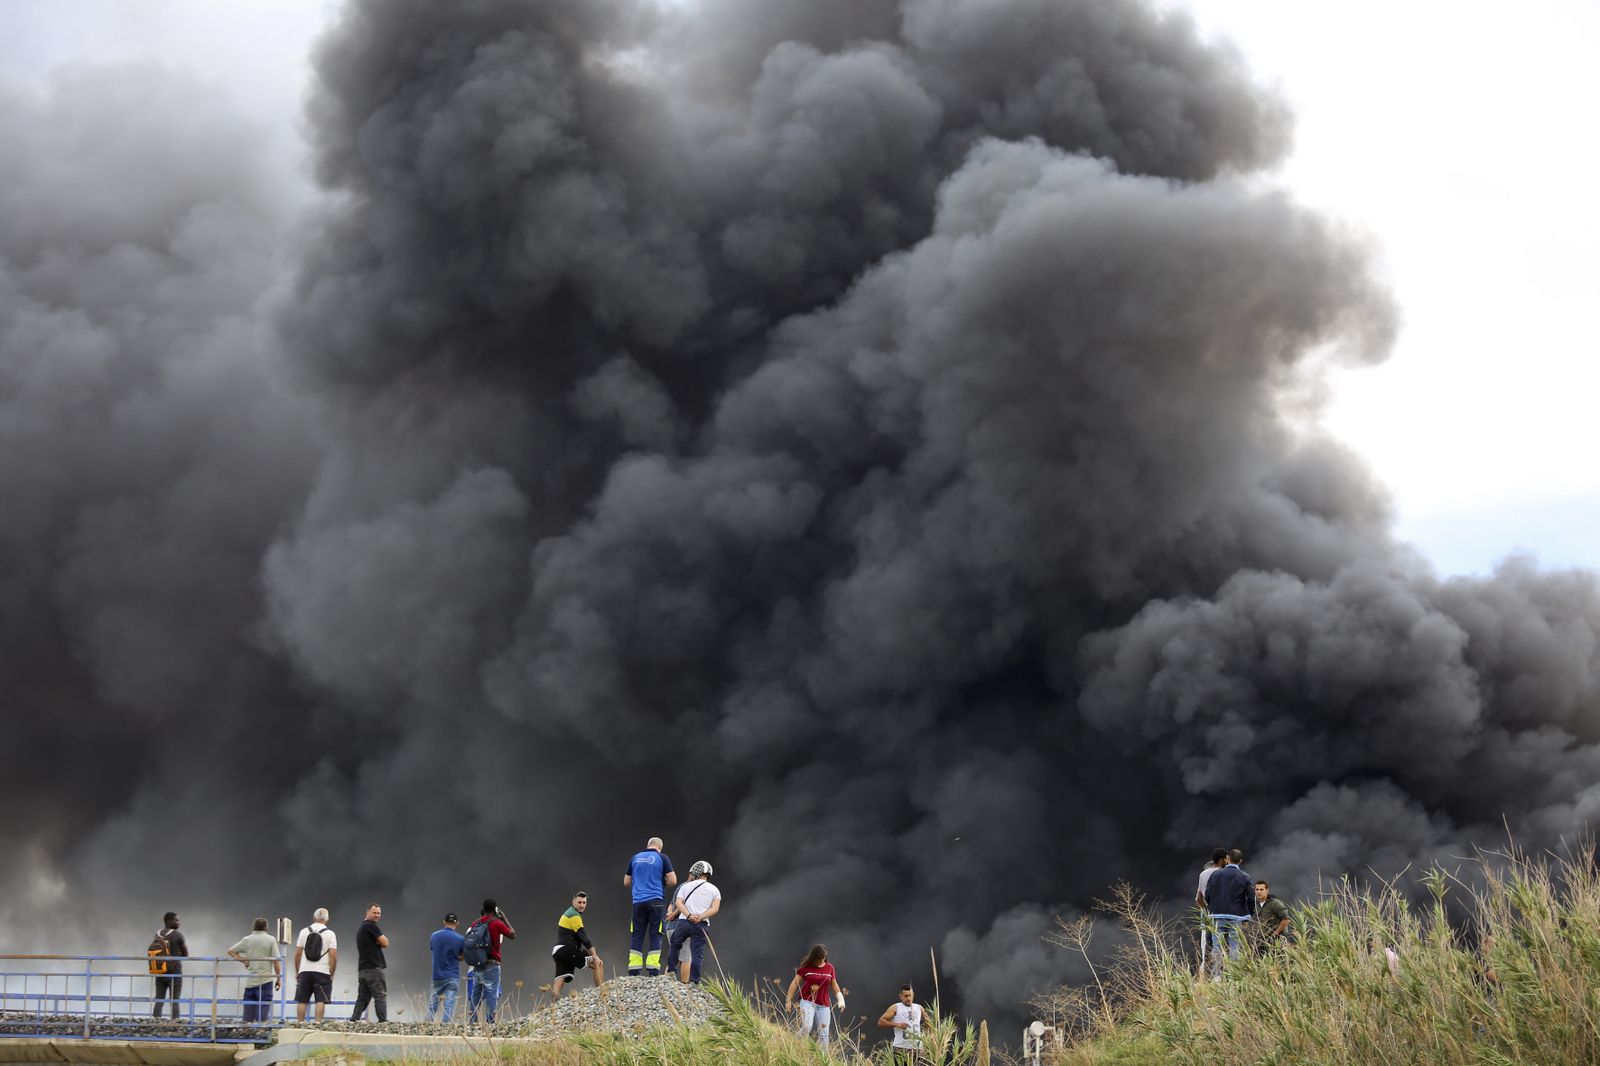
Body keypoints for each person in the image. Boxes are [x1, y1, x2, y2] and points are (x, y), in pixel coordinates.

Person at [623, 836, 677, 976]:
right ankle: (653, 970)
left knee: (637, 934)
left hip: (638, 903)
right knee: (656, 934)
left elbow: (626, 882)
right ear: (660, 847)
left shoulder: (635, 858)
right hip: (656, 902)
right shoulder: (662, 858)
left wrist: (639, 884)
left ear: (648, 845)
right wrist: (661, 883)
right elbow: (672, 880)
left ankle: (634, 970)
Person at [665, 860, 721, 985]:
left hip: (684, 922)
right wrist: (700, 917)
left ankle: (671, 972)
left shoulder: (685, 886)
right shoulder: (714, 890)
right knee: (695, 954)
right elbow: (715, 909)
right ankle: (694, 982)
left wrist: (689, 915)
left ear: (695, 872)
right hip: (701, 924)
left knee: (675, 945)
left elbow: (678, 903)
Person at [1203, 854, 1256, 973]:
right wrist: (1249, 914)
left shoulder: (1215, 874)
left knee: (1217, 946)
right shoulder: (1245, 877)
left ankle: (1216, 974)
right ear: (1240, 861)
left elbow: (1208, 894)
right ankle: (1234, 974)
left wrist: (1213, 908)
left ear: (1228, 859)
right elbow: (1251, 898)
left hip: (1217, 916)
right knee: (1234, 947)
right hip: (1237, 917)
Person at [785, 944, 844, 1049]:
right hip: (807, 1001)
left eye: (823, 958)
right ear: (814, 957)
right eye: (819, 959)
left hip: (823, 1005)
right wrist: (788, 1001)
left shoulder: (830, 968)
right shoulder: (806, 967)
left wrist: (840, 1000)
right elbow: (795, 983)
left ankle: (822, 1059)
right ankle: (792, 1045)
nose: (821, 961)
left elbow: (834, 985)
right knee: (807, 1026)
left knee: (824, 1034)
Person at [465, 899, 516, 1023]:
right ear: (495, 909)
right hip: (492, 964)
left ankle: (472, 1021)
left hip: (477, 964)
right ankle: (490, 1022)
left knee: (475, 993)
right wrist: (504, 918)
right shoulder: (497, 923)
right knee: (491, 993)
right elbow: (512, 935)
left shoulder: (475, 923)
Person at [227, 918, 281, 1023]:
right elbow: (276, 961)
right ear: (266, 927)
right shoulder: (271, 940)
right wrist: (278, 978)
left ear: (253, 927)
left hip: (251, 983)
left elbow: (231, 951)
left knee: (248, 1018)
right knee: (262, 1015)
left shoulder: (247, 939)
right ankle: (261, 1034)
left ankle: (248, 1035)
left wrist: (245, 961)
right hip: (266, 981)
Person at [551, 892, 605, 998]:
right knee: (597, 963)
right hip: (567, 950)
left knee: (561, 977)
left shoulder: (568, 913)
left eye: (584, 903)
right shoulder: (573, 915)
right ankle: (602, 993)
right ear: (573, 902)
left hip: (558, 951)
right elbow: (584, 937)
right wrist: (594, 955)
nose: (582, 905)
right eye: (579, 902)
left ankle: (553, 1005)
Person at [293, 908, 338, 1023]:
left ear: (314, 918)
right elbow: (333, 956)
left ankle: (300, 1024)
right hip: (322, 971)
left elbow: (298, 953)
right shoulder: (330, 934)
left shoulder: (304, 932)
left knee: (302, 1001)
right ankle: (318, 1023)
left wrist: (298, 970)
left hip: (305, 970)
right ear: (327, 919)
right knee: (320, 1000)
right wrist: (331, 972)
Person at [350, 903, 390, 1022]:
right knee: (380, 995)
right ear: (367, 913)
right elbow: (386, 943)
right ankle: (383, 1021)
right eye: (374, 912)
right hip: (374, 968)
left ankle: (354, 1020)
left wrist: (379, 942)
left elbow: (382, 943)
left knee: (363, 997)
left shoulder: (362, 927)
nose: (377, 915)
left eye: (379, 913)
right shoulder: (371, 926)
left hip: (363, 969)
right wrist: (380, 942)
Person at [1193, 849, 1228, 974]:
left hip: (1207, 914)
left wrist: (1206, 910)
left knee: (1208, 944)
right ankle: (1220, 973)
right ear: (1222, 860)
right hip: (1222, 912)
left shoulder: (1202, 875)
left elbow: (1198, 899)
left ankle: (1209, 974)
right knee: (1225, 942)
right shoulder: (1224, 873)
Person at [428, 913, 465, 1022]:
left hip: (437, 974)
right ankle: (446, 1027)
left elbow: (433, 949)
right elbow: (463, 956)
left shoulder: (434, 935)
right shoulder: (460, 939)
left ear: (444, 922)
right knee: (449, 1004)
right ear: (457, 923)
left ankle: (427, 1024)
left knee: (433, 1003)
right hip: (452, 975)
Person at [150, 912, 188, 1020]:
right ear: (168, 921)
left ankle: (156, 1022)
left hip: (160, 972)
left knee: (159, 1000)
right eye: (176, 920)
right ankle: (175, 1024)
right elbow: (186, 954)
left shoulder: (157, 934)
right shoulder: (178, 935)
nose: (179, 923)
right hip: (174, 973)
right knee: (174, 1000)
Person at [878, 984, 925, 1063]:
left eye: (910, 995)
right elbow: (881, 1022)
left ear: (913, 995)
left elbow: (928, 1022)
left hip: (918, 1049)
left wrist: (928, 1036)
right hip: (901, 1049)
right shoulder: (896, 1007)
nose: (908, 998)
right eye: (906, 996)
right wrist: (897, 1025)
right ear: (901, 996)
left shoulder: (919, 1008)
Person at [1254, 881, 1290, 950]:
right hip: (1263, 940)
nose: (1259, 892)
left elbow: (1286, 920)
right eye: (1257, 889)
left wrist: (1275, 933)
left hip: (1278, 939)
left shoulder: (1275, 903)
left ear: (1267, 890)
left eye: (1261, 889)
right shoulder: (1256, 905)